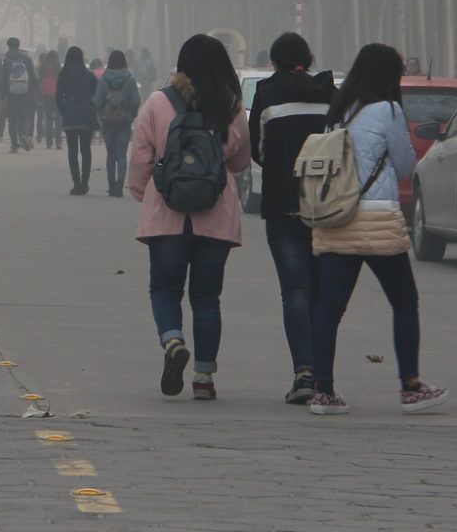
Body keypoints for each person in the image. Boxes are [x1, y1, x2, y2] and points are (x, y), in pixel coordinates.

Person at [306, 43, 448, 417]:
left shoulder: (338, 111)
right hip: (377, 217)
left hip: (337, 217)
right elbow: (404, 163)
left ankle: (323, 391)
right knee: (404, 302)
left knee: (329, 308)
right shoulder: (387, 110)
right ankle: (411, 386)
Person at [128, 34, 251, 401]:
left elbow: (141, 159)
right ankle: (204, 378)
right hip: (216, 216)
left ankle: (173, 342)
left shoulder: (157, 102)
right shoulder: (231, 106)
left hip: (167, 214)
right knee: (206, 296)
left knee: (164, 288)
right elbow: (240, 162)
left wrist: (145, 194)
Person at [245, 32, 335, 404]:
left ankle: (303, 372)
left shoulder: (266, 94)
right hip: (326, 208)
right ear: (308, 59)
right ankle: (324, 377)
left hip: (283, 205)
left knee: (294, 291)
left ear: (274, 62)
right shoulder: (329, 94)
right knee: (321, 293)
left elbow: (259, 151)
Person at [94, 50, 141, 197]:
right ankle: (120, 185)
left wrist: (102, 113)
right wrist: (131, 114)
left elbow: (98, 100)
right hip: (124, 121)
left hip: (108, 121)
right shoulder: (130, 79)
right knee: (121, 153)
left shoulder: (104, 79)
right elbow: (136, 100)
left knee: (111, 154)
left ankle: (111, 184)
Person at [55, 46, 99, 194]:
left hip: (71, 114)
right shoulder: (89, 75)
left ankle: (76, 182)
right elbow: (97, 95)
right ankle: (84, 183)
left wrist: (64, 110)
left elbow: (58, 97)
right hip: (86, 115)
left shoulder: (63, 74)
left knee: (72, 151)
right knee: (86, 150)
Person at [1, 36, 38, 152]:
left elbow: (4, 78)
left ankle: (14, 145)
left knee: (12, 119)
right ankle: (24, 134)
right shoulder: (26, 58)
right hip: (26, 92)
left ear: (9, 46)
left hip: (11, 93)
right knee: (25, 115)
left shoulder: (7, 60)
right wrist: (37, 91)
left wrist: (3, 95)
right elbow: (33, 75)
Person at [37, 49, 63, 150]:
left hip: (47, 95)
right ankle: (58, 141)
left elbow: (39, 80)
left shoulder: (43, 68)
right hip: (58, 94)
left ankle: (49, 142)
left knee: (48, 119)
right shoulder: (59, 68)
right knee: (58, 119)